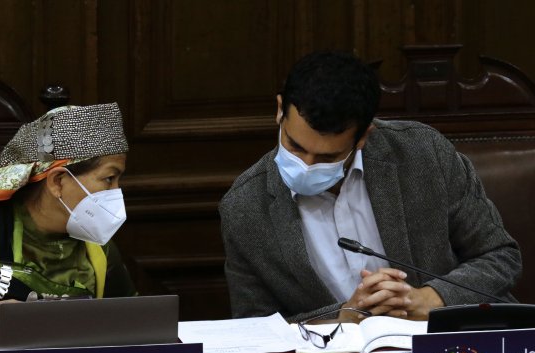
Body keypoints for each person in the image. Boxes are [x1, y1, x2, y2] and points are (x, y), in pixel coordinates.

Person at [219, 50, 522, 323]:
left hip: (445, 352)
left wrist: (432, 298)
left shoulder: (424, 154)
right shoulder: (244, 208)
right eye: (295, 146)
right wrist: (345, 316)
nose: (307, 166)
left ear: (364, 136)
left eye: (328, 157)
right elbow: (254, 329)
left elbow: (500, 256)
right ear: (280, 110)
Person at [0, 102, 135, 340]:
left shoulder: (97, 245)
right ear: (58, 181)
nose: (116, 192)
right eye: (109, 179)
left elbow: (135, 327)